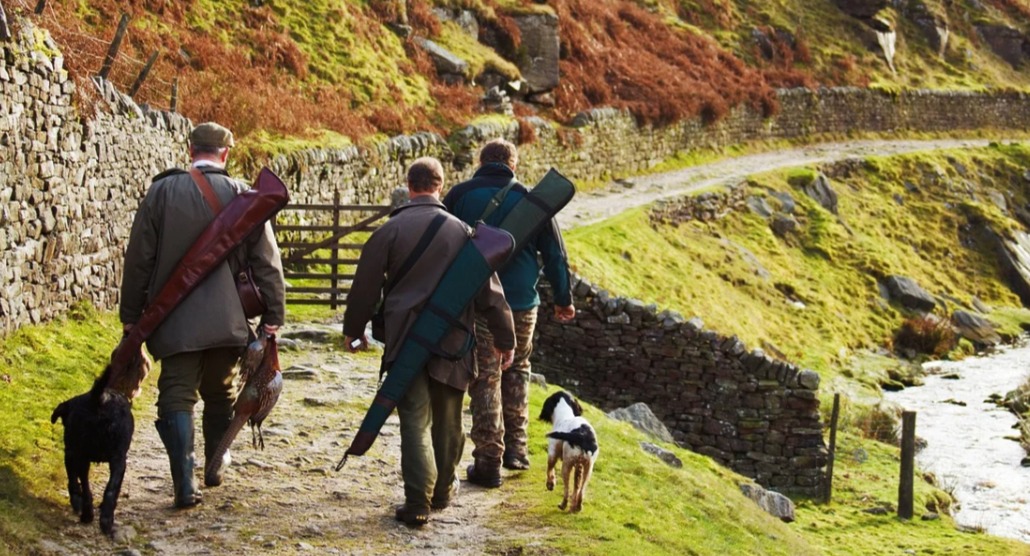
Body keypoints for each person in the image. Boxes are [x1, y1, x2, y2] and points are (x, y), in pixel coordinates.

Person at [119, 122, 286, 508]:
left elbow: (139, 259)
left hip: (173, 320)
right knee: (221, 392)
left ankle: (184, 484)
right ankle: (216, 462)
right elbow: (267, 263)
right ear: (226, 153)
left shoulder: (161, 192)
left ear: (190, 148)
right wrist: (273, 317)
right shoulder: (244, 195)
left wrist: (132, 318)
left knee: (176, 396)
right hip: (229, 322)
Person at [343, 156, 515, 526]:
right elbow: (491, 294)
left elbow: (365, 288)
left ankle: (418, 500)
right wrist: (506, 339)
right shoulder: (464, 233)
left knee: (414, 420)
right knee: (449, 421)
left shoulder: (389, 231)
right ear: (440, 185)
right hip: (453, 341)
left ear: (410, 185)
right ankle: (442, 491)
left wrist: (353, 330)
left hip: (405, 340)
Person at [443, 138, 575, 487]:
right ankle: (516, 450)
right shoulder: (532, 201)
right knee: (518, 369)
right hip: (521, 303)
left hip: (479, 300)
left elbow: (441, 243)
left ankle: (489, 459)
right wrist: (564, 299)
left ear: (481, 161)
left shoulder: (459, 196)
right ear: (513, 165)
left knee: (486, 374)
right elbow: (556, 256)